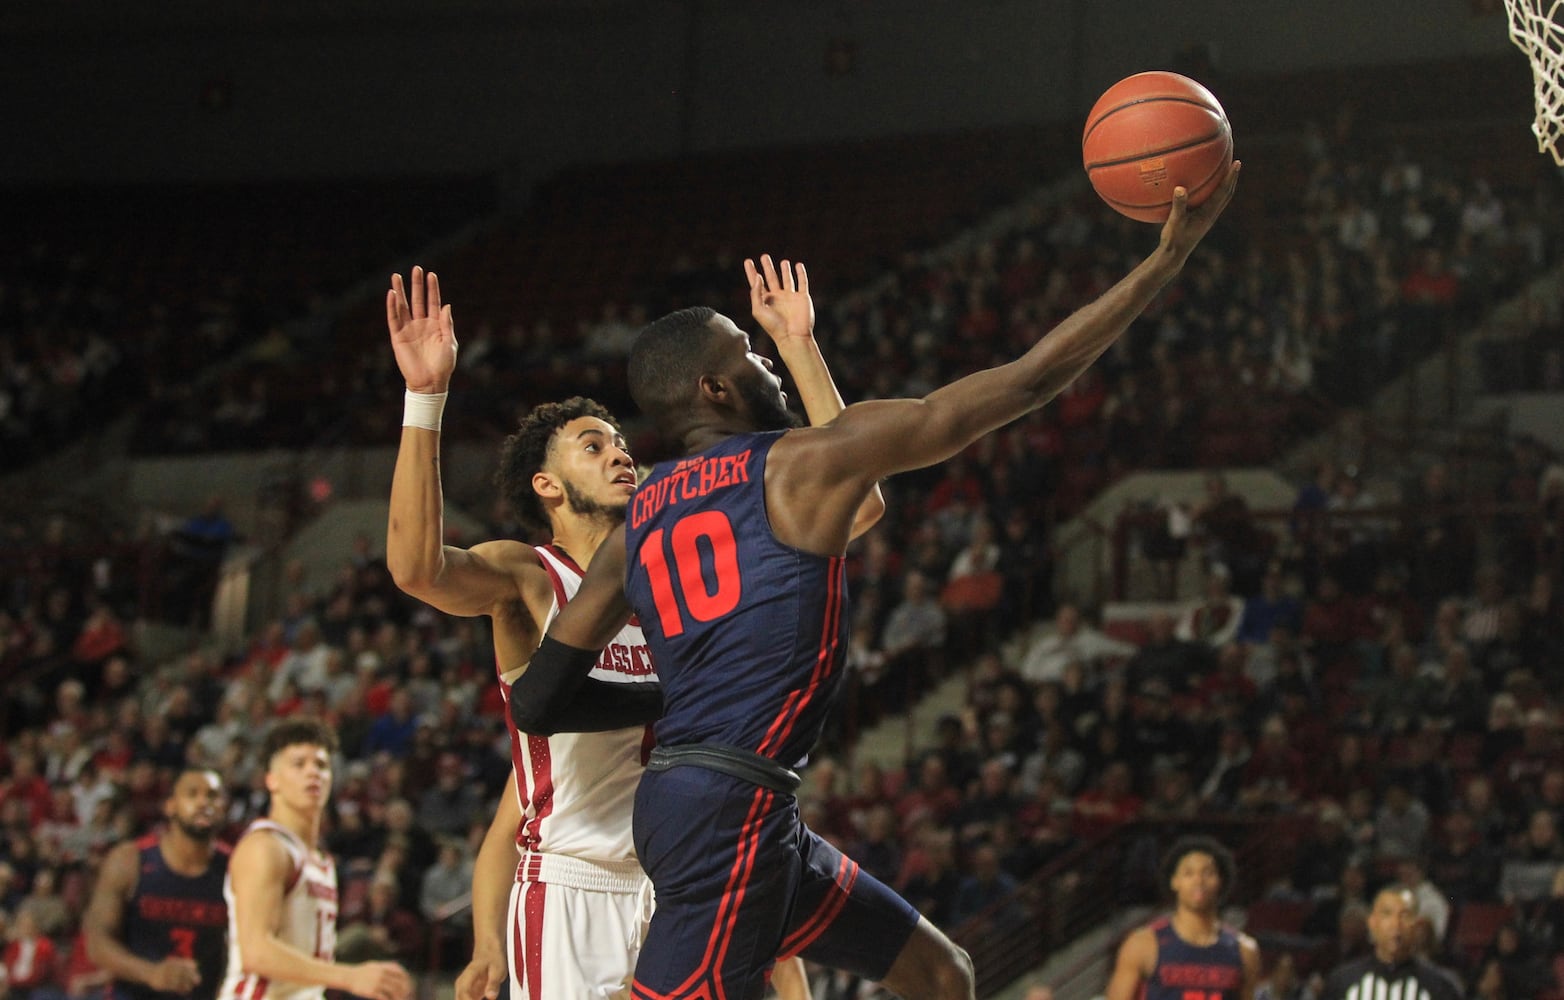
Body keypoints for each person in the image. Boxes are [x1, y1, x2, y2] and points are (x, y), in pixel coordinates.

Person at [513, 169, 1241, 1000]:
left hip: (738, 806)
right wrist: (1165, 261)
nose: (765, 362)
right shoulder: (798, 466)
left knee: (943, 976)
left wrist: (673, 700)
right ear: (715, 388)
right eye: (748, 354)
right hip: (725, 817)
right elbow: (1030, 379)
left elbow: (537, 703)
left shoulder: (642, 516)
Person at [384, 267, 850, 999]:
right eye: (593, 446)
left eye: (621, 442)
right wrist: (425, 396)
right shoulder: (529, 577)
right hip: (577, 886)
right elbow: (415, 568)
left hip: (686, 872)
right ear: (547, 485)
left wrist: (799, 347)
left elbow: (852, 502)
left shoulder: (671, 555)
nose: (620, 453)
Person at [216, 719, 411, 1000]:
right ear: (272, 779)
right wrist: (350, 976)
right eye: (298, 764)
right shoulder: (265, 847)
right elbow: (256, 952)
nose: (313, 773)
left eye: (321, 765)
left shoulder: (323, 861)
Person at [84, 768, 230, 1000]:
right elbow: (97, 943)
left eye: (212, 795)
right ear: (170, 805)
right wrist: (151, 973)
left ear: (224, 807)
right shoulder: (130, 859)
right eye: (192, 794)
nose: (204, 802)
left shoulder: (236, 867)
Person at [1104, 835, 1261, 1000]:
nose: (1198, 880)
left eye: (1208, 873)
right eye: (1188, 873)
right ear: (1174, 881)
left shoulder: (1245, 950)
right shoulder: (1142, 944)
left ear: (1220, 881)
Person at [1316, 887, 1460, 1000]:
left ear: (1416, 925)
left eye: (1405, 915)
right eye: (1387, 914)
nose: (1396, 925)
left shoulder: (1439, 988)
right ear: (1372, 923)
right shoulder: (1342, 983)